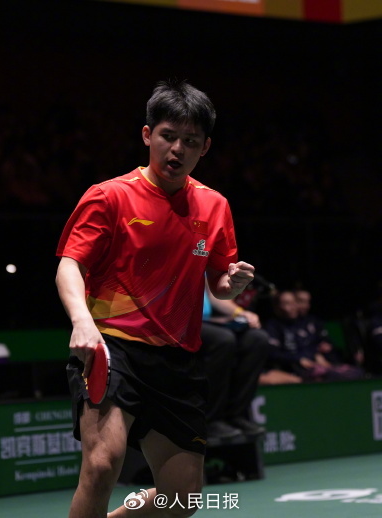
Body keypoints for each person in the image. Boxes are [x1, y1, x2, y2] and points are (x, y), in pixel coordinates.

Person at [55, 80, 255, 518]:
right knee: (102, 465)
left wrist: (232, 284)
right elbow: (70, 265)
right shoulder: (110, 195)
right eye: (168, 136)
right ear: (148, 135)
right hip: (113, 346)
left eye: (191, 141)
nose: (177, 149)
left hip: (178, 360)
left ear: (205, 148)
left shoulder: (214, 206)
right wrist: (81, 321)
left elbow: (219, 283)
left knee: (183, 498)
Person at [200, 283, 268, 439]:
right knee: (224, 340)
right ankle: (210, 419)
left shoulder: (202, 267)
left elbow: (214, 297)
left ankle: (236, 415)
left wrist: (241, 313)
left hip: (209, 321)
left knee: (257, 339)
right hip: (178, 322)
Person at [263, 289, 364, 382]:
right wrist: (298, 359)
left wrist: (318, 354)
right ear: (277, 307)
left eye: (294, 303)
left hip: (316, 365)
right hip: (292, 370)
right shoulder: (272, 326)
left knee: (354, 372)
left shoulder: (306, 323)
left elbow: (316, 345)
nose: (293, 307)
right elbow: (273, 354)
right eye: (287, 303)